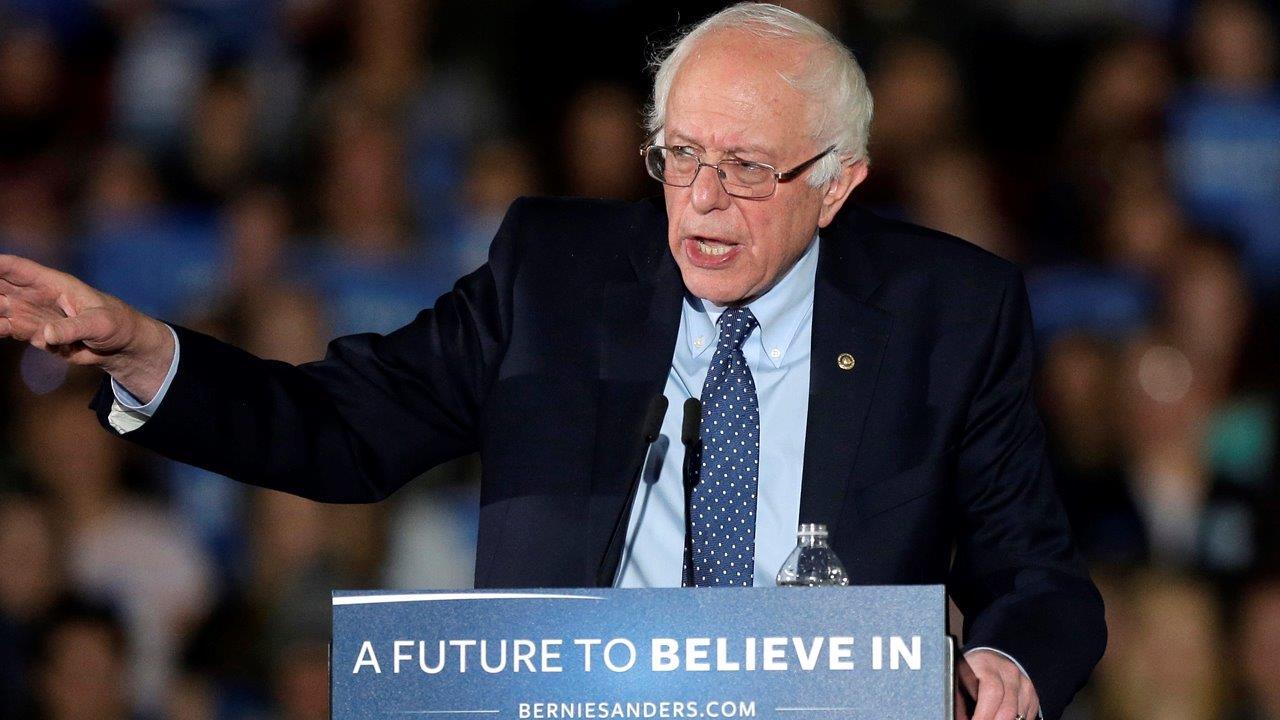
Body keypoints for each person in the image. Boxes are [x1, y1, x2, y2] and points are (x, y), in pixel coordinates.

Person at [0, 4, 1104, 719]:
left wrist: (1004, 668)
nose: (703, 201)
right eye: (680, 156)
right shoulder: (557, 278)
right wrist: (143, 350)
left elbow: (1036, 579)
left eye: (746, 168)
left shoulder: (947, 313)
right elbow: (342, 428)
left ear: (837, 182)